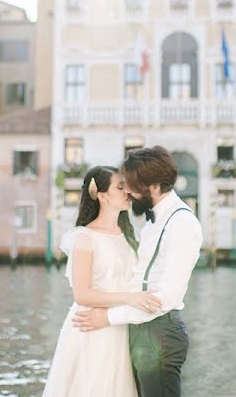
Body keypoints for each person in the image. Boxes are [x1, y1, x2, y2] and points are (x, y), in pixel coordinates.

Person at [73, 146, 203, 397]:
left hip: (160, 333)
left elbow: (168, 297)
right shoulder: (152, 223)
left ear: (153, 186)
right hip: (136, 327)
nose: (128, 192)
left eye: (132, 186)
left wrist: (108, 318)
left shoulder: (182, 224)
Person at [42, 165, 161, 397]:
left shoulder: (130, 235)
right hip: (91, 327)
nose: (127, 191)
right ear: (103, 196)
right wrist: (131, 298)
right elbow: (82, 294)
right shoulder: (85, 239)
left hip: (119, 325)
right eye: (120, 187)